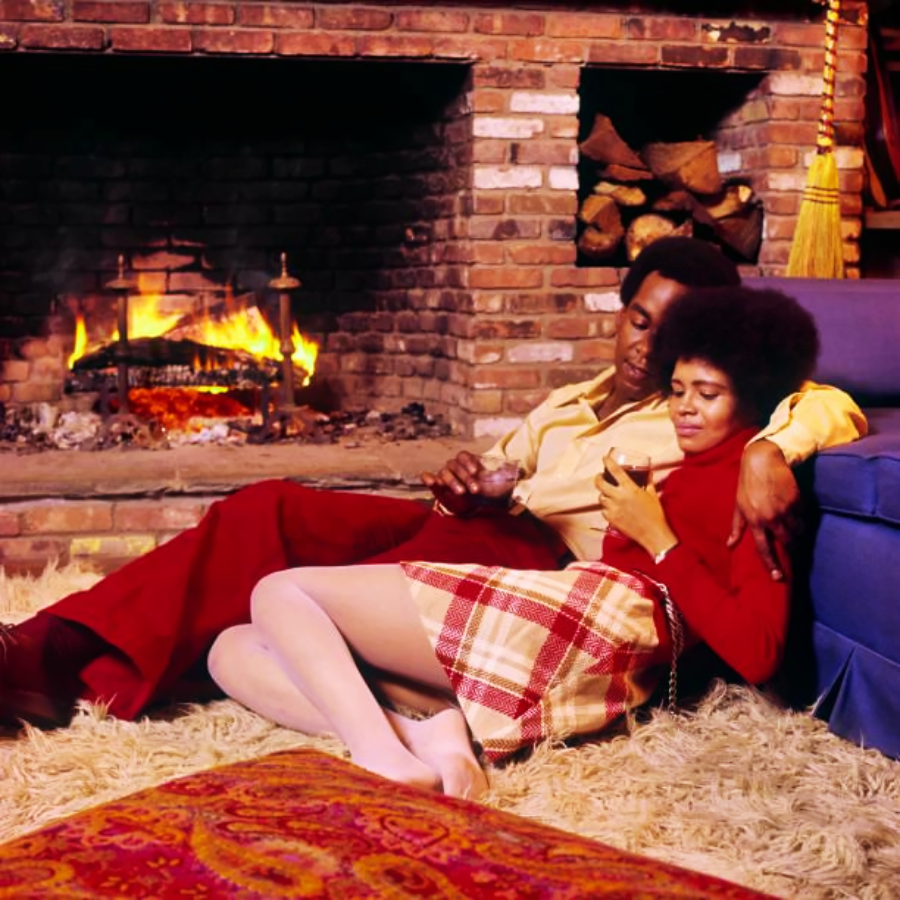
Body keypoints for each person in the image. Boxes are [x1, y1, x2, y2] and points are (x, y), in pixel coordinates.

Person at [0, 238, 866, 730]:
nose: (647, 346)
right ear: (622, 312)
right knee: (267, 506)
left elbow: (831, 406)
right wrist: (465, 482)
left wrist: (769, 452)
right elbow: (507, 472)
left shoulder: (715, 411)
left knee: (351, 574)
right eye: (639, 320)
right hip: (478, 526)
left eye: (671, 333)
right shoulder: (572, 400)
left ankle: (113, 662)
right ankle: (50, 647)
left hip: (539, 568)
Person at [207, 285, 822, 800]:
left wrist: (657, 537)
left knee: (280, 594)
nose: (684, 410)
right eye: (680, 390)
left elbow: (759, 653)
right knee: (231, 649)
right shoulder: (684, 468)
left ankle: (379, 756)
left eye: (707, 395)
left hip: (605, 629)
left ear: (754, 399)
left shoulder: (753, 486)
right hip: (577, 614)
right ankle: (421, 737)